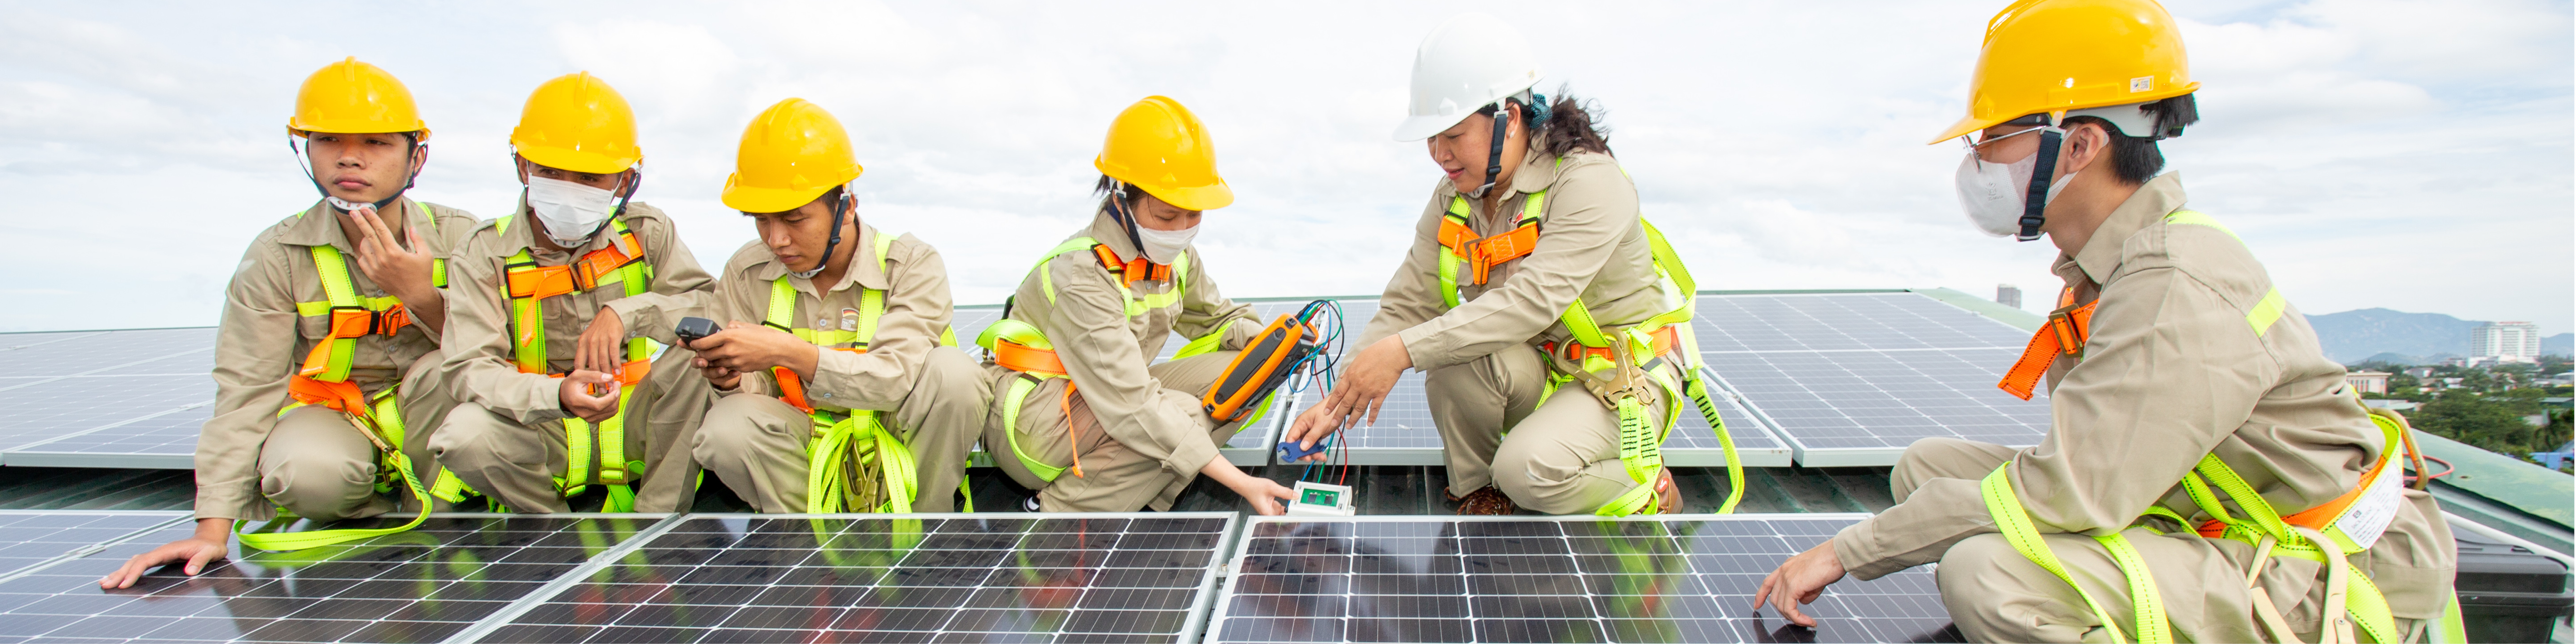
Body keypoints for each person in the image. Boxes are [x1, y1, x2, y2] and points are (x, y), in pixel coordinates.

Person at [1753, 1, 2459, 642]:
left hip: (2315, 566)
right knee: (1926, 469)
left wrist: (1846, 550)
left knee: (1985, 574)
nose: (1977, 160)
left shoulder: (2172, 281)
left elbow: (2069, 491)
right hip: (2198, 508)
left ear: (2082, 145)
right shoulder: (2112, 265)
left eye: (1995, 136)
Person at [1286, 13, 1723, 517]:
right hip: (1543, 367)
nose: (1438, 153)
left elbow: (1531, 302)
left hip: (1620, 376)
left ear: (1509, 118)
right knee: (1449, 356)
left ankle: (1648, 488)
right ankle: (1480, 494)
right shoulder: (1455, 195)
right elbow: (1411, 301)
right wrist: (1339, 396)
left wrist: (1402, 351)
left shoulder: (1588, 182)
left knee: (1528, 469)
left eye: (1452, 134)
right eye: (1430, 139)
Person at [103, 58, 478, 588]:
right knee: (307, 475)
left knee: (460, 386)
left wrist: (418, 293)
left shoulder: (466, 238)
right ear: (305, 150)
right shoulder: (276, 255)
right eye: (327, 139)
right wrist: (213, 530)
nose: (349, 156)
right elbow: (246, 390)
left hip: (433, 408)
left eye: (376, 143)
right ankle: (373, 503)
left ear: (417, 157)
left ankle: (448, 509)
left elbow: (500, 360)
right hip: (336, 414)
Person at [979, 96, 1297, 514]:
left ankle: (1128, 484)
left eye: (1193, 214)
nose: (1182, 230)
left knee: (1251, 372)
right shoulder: (1082, 275)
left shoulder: (1175, 256)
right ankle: (1055, 513)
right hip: (1033, 420)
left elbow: (1221, 319)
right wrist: (1243, 484)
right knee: (1176, 416)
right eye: (1167, 217)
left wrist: (1280, 346)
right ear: (1121, 195)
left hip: (1095, 401)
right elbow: (1132, 404)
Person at [430, 72, 716, 514]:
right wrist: (558, 395)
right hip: (542, 429)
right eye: (549, 172)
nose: (568, 192)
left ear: (623, 182)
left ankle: (657, 523)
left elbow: (707, 307)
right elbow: (470, 368)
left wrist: (627, 313)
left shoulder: (649, 232)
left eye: (589, 177)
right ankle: (549, 532)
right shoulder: (481, 250)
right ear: (522, 166)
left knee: (702, 359)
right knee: (465, 434)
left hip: (636, 421)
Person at [682, 98, 985, 513]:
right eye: (761, 220)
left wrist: (785, 351)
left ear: (846, 207)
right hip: (802, 453)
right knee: (726, 427)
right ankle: (809, 544)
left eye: (793, 220)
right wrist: (730, 380)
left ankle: (922, 533)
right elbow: (760, 395)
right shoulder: (745, 272)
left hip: (897, 440)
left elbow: (895, 379)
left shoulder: (912, 264)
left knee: (956, 375)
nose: (776, 240)